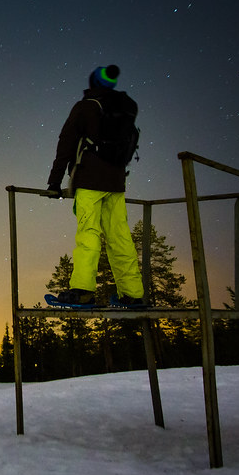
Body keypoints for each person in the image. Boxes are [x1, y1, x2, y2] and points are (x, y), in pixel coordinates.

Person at [45, 65, 145, 307]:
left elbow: (66, 143)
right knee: (119, 237)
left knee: (88, 234)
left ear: (92, 84)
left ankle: (82, 291)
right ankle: (132, 294)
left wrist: (55, 182)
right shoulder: (125, 108)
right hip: (116, 182)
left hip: (89, 180)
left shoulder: (86, 107)